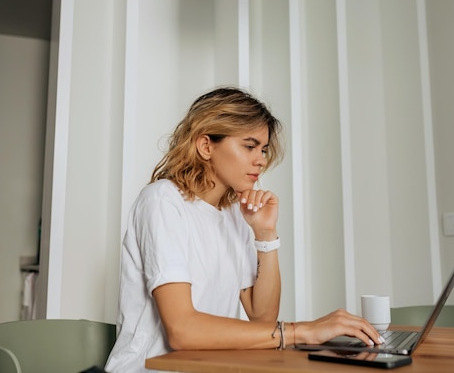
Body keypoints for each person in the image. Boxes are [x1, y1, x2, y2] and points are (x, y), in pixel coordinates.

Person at [104, 87, 384, 373]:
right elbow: (182, 331)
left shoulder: (233, 216)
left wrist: (265, 235)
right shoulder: (162, 201)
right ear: (206, 146)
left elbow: (262, 320)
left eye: (262, 149)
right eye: (249, 147)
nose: (261, 159)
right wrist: (301, 331)